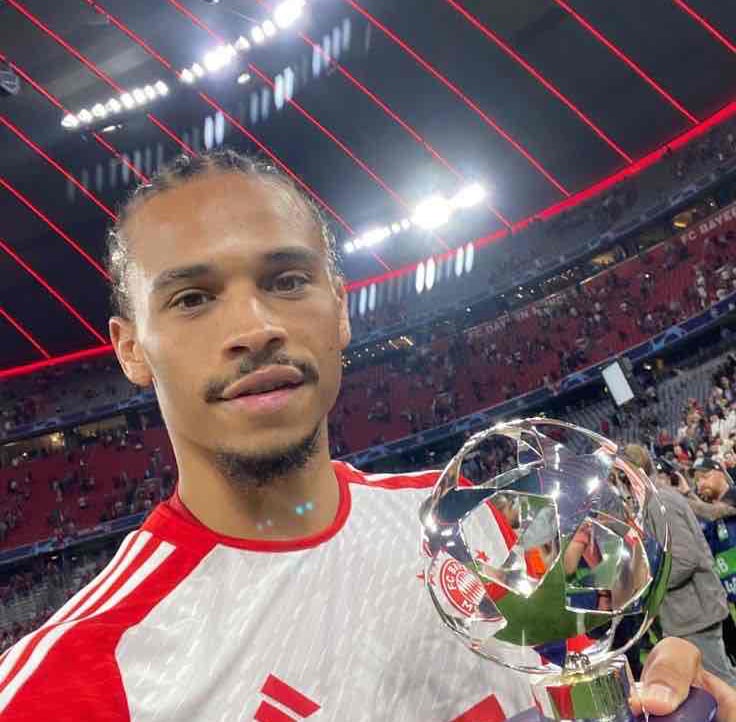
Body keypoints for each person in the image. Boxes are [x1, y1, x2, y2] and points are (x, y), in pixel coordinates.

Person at [2, 150, 735, 721]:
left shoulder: (482, 527)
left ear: (341, 308)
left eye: (287, 280)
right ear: (131, 349)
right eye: (192, 298)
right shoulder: (66, 686)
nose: (255, 327)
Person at [626, 444, 736, 688]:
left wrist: (650, 582)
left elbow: (686, 559)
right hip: (688, 613)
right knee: (713, 683)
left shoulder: (660, 502)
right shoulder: (653, 502)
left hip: (695, 613)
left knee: (720, 685)